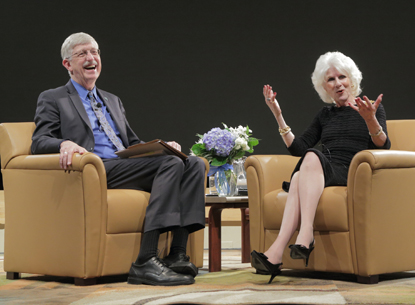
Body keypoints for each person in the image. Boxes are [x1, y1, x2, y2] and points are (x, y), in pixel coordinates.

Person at [31, 32, 206, 286]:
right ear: (67, 64)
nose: (91, 58)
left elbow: (132, 144)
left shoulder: (112, 100)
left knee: (193, 163)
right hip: (97, 168)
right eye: (82, 54)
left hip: (124, 164)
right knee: (171, 164)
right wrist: (64, 143)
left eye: (95, 52)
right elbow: (38, 141)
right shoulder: (53, 97)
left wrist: (163, 148)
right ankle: (145, 259)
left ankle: (176, 254)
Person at [251, 51, 391, 284]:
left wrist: (370, 120)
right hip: (323, 169)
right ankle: (275, 254)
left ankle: (306, 233)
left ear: (352, 79)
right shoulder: (325, 114)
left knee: (311, 159)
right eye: (331, 80)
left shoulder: (368, 108)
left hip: (352, 171)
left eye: (342, 77)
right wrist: (278, 114)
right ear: (323, 87)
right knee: (301, 172)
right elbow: (298, 147)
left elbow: (383, 145)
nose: (338, 84)